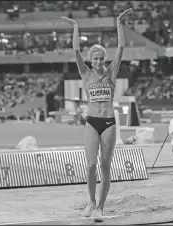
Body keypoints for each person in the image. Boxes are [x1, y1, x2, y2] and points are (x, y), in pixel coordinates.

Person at [60, 8, 132, 222]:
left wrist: (119, 23)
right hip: (91, 122)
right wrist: (75, 27)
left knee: (105, 166)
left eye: (102, 58)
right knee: (91, 165)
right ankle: (91, 202)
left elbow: (121, 46)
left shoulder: (112, 72)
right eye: (96, 59)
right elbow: (75, 51)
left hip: (109, 122)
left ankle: (100, 206)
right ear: (91, 60)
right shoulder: (85, 73)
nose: (99, 62)